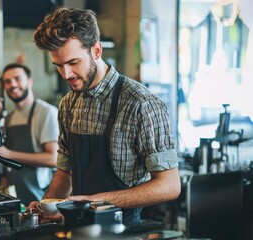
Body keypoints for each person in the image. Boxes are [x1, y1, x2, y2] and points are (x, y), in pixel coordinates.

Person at [30, 7, 181, 226]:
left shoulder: (141, 104)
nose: (66, 74)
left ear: (97, 51)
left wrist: (95, 201)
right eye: (59, 66)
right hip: (77, 228)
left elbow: (170, 186)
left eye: (73, 63)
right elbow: (65, 172)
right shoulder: (68, 104)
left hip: (124, 229)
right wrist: (48, 205)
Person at [0, 63, 59, 206]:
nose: (13, 84)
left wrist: (8, 154)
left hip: (41, 198)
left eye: (18, 79)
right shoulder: (9, 117)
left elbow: (54, 158)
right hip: (16, 199)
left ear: (30, 82)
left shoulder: (46, 112)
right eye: (7, 81)